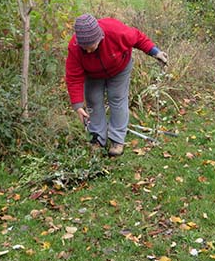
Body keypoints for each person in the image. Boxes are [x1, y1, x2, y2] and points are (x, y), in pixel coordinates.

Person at [65, 14, 168, 157]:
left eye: (91, 47)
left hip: (119, 67)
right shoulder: (75, 47)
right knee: (93, 101)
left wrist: (155, 52)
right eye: (85, 48)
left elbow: (137, 37)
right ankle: (97, 138)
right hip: (92, 74)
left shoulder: (115, 31)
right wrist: (77, 106)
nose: (88, 51)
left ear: (99, 38)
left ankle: (117, 139)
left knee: (117, 98)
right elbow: (73, 77)